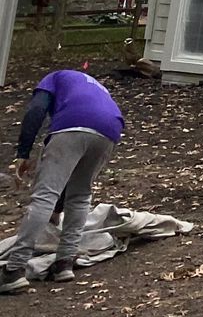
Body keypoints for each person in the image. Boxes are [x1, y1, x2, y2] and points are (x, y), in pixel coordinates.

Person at [0, 69, 124, 292]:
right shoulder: (91, 85)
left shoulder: (52, 78)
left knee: (44, 195)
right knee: (80, 195)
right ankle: (64, 263)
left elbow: (36, 110)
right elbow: (69, 171)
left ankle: (14, 270)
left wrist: (23, 153)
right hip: (111, 128)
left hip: (72, 123)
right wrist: (58, 207)